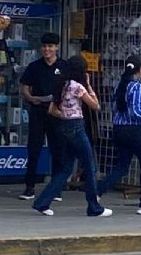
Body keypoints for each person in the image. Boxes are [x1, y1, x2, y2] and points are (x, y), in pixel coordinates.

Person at [32, 56, 111, 217]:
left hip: (63, 127)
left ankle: (42, 202)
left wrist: (65, 115)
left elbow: (52, 110)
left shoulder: (61, 84)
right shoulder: (78, 87)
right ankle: (93, 206)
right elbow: (95, 106)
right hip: (77, 127)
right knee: (89, 166)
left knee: (65, 168)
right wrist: (89, 85)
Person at [96, 56, 141, 215]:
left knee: (121, 166)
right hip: (136, 130)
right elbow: (136, 113)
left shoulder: (119, 86)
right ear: (140, 70)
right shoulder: (137, 88)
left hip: (119, 129)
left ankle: (98, 191)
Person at [19, 32, 67, 201]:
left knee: (58, 150)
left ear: (57, 47)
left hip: (57, 113)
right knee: (34, 148)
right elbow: (24, 86)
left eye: (50, 46)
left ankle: (56, 188)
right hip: (38, 111)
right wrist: (31, 98)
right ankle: (29, 187)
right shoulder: (34, 66)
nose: (47, 49)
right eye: (45, 46)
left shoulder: (64, 66)